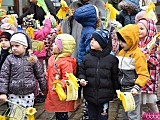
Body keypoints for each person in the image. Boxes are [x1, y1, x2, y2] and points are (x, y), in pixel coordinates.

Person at [78, 29, 119, 120]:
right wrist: (82, 79)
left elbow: (115, 76)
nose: (91, 42)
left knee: (103, 117)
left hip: (105, 96)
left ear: (103, 43)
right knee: (91, 116)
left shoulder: (112, 60)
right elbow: (81, 71)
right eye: (91, 39)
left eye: (95, 40)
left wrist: (117, 90)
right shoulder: (87, 58)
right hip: (90, 94)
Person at [0, 32, 46, 109]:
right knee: (15, 114)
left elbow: (40, 74)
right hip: (13, 94)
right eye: (12, 46)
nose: (14, 48)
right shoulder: (9, 59)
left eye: (17, 45)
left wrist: (44, 88)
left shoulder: (32, 58)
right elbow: (4, 76)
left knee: (28, 113)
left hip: (29, 94)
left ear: (25, 46)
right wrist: (3, 92)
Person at [116, 24, 150, 120]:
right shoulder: (121, 52)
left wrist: (137, 87)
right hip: (123, 89)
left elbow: (143, 74)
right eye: (120, 41)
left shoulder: (138, 55)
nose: (121, 44)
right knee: (125, 113)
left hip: (132, 90)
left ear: (131, 40)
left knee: (133, 114)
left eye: (123, 41)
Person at [45, 33, 77, 120]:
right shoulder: (52, 58)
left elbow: (68, 77)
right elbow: (50, 71)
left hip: (61, 93)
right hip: (53, 91)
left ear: (63, 49)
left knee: (62, 112)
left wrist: (60, 84)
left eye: (56, 44)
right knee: (57, 111)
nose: (53, 45)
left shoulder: (66, 62)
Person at [136, 18, 160, 113]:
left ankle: (157, 116)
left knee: (151, 102)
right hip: (138, 78)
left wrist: (144, 55)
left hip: (150, 79)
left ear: (149, 30)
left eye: (142, 29)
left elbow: (155, 62)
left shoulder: (154, 45)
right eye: (137, 28)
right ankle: (140, 117)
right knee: (138, 103)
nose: (139, 31)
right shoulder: (135, 43)